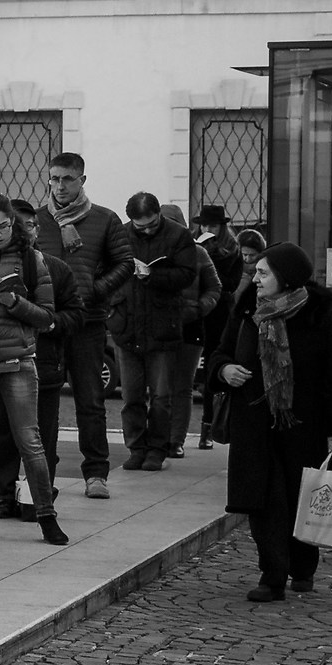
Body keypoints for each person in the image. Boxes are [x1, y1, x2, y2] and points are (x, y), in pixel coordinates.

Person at [210, 243, 332, 602]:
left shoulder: (318, 315)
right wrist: (224, 369)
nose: (256, 278)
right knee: (264, 501)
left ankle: (303, 567)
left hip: (304, 425)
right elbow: (220, 352)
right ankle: (272, 575)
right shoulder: (247, 308)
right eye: (256, 272)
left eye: (263, 273)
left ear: (286, 278)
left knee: (301, 495)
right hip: (253, 423)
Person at [0, 194, 70, 547]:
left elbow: (47, 317)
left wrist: (15, 302)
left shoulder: (30, 258)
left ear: (14, 224)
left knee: (31, 442)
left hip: (18, 360)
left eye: (3, 227)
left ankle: (46, 516)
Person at [36, 152, 134, 500]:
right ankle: (43, 473)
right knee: (44, 400)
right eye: (54, 178)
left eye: (67, 179)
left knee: (90, 399)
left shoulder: (105, 220)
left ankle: (96, 472)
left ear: (82, 181)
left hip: (88, 321)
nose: (60, 186)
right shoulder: (38, 221)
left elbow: (125, 263)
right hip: (47, 322)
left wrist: (98, 288)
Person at [0, 198, 84, 520]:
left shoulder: (56, 268)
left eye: (27, 225)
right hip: (1, 365)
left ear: (37, 229)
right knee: (1, 437)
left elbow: (75, 314)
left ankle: (40, 499)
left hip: (42, 366)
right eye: (14, 225)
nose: (21, 231)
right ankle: (4, 496)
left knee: (42, 438)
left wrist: (50, 323)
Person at [109, 192, 200, 473]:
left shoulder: (178, 236)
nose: (147, 230)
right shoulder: (121, 235)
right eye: (141, 226)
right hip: (128, 323)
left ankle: (158, 450)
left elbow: (188, 274)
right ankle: (136, 448)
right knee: (131, 396)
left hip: (163, 324)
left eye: (151, 224)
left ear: (159, 214)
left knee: (161, 396)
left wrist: (154, 276)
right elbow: (107, 269)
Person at [158, 203, 220, 459]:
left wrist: (198, 308)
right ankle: (160, 437)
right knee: (159, 387)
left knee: (182, 386)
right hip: (159, 326)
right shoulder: (151, 252)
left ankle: (175, 440)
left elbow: (214, 288)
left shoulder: (198, 253)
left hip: (189, 327)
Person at [190, 205, 245, 452]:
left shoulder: (232, 250)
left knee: (214, 367)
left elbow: (230, 284)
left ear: (221, 227)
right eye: (204, 225)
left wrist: (212, 257)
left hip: (219, 314)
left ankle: (208, 428)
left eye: (212, 226)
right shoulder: (192, 245)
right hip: (195, 312)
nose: (207, 229)